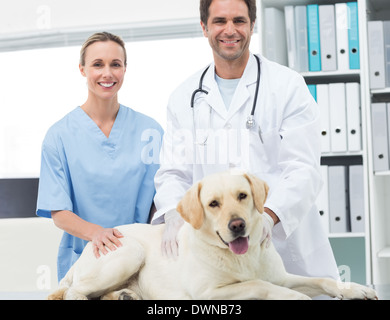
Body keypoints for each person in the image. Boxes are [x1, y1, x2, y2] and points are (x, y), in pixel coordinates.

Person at [152, 0, 339, 283]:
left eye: (239, 21)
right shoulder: (183, 98)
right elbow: (173, 173)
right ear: (204, 27)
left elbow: (303, 168)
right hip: (219, 262)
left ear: (253, 24)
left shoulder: (287, 86)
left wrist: (268, 217)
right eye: (219, 21)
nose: (230, 30)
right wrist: (172, 215)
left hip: (287, 249)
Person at [36, 32, 163, 281]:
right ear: (82, 69)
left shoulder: (151, 132)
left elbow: (161, 199)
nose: (107, 73)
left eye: (115, 64)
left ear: (125, 69)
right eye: (97, 64)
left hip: (140, 261)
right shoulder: (59, 136)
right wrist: (98, 234)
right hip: (83, 263)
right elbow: (59, 212)